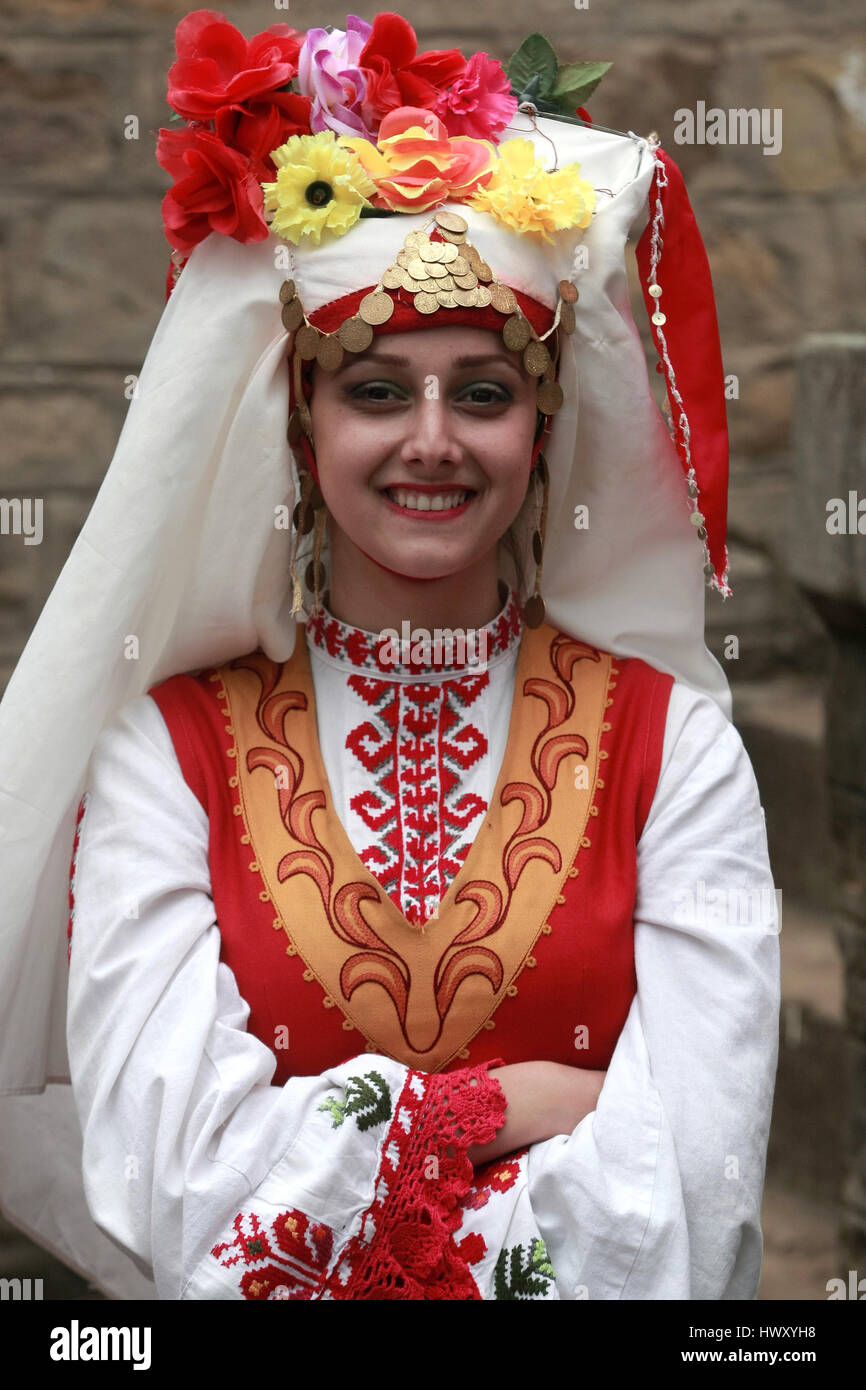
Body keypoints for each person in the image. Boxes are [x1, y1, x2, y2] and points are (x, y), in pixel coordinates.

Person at [0, 10, 779, 1300]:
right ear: (301, 432)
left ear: (540, 431)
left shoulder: (672, 744)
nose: (434, 440)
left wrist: (339, 1149)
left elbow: (690, 1193)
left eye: (482, 391)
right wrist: (515, 1104)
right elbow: (177, 1178)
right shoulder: (167, 751)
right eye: (375, 392)